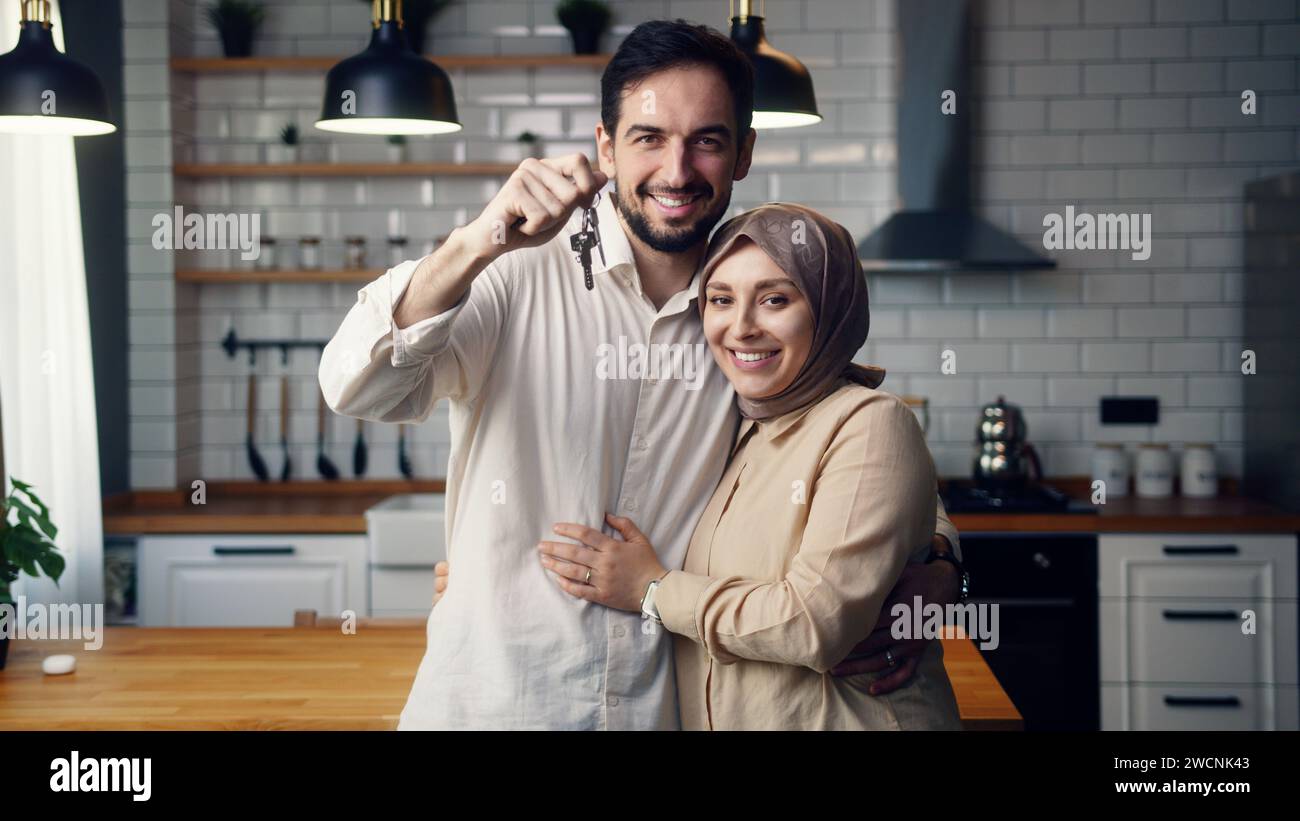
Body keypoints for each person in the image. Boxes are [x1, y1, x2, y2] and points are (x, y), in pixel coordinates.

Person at [320, 19, 965, 730]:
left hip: (660, 711)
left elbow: (857, 443)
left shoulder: (743, 308)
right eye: (649, 138)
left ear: (744, 153)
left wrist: (937, 563)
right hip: (495, 706)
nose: (677, 171)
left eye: (707, 140)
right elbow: (356, 384)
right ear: (605, 145)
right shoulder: (512, 269)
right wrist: (477, 241)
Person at [534, 203, 963, 729]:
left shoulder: (868, 421)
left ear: (830, 306)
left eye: (775, 300)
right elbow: (917, 510)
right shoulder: (730, 419)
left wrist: (652, 590)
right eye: (720, 300)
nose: (741, 328)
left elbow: (815, 624)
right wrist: (944, 562)